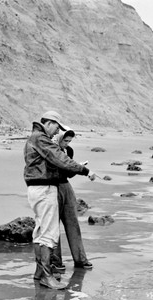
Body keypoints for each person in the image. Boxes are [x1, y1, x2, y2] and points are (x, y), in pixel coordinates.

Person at [24, 110, 95, 290]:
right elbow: (59, 158)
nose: (57, 132)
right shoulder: (41, 139)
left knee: (40, 231)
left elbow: (55, 161)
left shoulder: (36, 138)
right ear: (49, 123)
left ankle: (39, 272)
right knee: (49, 234)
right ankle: (47, 276)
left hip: (36, 188)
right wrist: (85, 171)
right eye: (56, 127)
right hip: (45, 189)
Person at [54, 129, 93, 269]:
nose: (67, 144)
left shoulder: (69, 151)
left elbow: (68, 174)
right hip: (53, 186)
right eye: (65, 141)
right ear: (59, 138)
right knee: (53, 226)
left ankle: (81, 259)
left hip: (66, 186)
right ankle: (56, 261)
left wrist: (78, 168)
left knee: (73, 223)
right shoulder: (52, 150)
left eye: (69, 141)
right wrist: (78, 168)